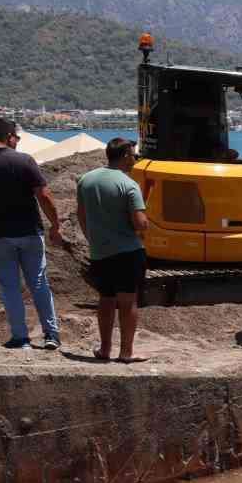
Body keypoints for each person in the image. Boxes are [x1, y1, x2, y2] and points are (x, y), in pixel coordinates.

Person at [0, 117, 64, 349]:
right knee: (39, 283)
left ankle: (20, 338)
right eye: (16, 137)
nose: (17, 141)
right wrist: (56, 225)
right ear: (9, 137)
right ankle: (51, 335)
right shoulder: (25, 161)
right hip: (28, 231)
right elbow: (44, 197)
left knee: (9, 287)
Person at [75, 138, 150, 363]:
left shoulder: (86, 180)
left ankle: (105, 349)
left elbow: (81, 215)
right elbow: (140, 223)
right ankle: (126, 352)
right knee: (128, 302)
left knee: (106, 300)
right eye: (134, 155)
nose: (135, 159)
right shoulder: (129, 185)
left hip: (100, 252)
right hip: (128, 252)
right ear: (126, 155)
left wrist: (92, 238)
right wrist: (146, 224)